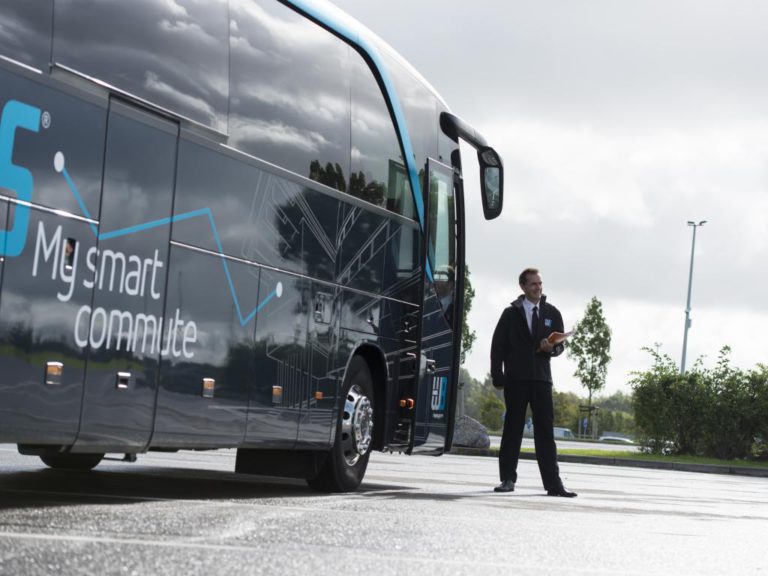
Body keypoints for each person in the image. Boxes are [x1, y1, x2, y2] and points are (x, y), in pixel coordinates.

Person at [490, 268, 576, 497]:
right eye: (533, 284)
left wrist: (553, 347)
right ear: (523, 287)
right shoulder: (510, 314)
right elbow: (497, 346)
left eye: (540, 283)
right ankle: (507, 479)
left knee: (545, 432)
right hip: (516, 380)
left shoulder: (552, 312)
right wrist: (498, 376)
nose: (538, 287)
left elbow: (560, 346)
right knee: (512, 430)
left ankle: (554, 484)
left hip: (541, 379)